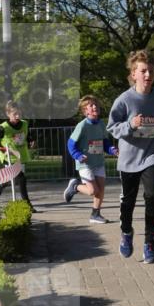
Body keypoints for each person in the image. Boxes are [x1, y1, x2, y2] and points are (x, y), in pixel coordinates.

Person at [108, 49, 154, 265]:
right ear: (134, 73)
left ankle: (150, 245)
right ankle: (127, 233)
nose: (148, 75)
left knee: (152, 196)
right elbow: (112, 127)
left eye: (151, 71)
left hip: (152, 154)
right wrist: (131, 124)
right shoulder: (124, 100)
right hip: (129, 158)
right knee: (128, 202)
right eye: (143, 71)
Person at [63, 95, 119, 223]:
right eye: (91, 105)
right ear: (85, 111)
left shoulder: (101, 124)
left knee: (101, 189)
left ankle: (95, 215)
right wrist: (77, 155)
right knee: (93, 191)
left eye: (96, 105)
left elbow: (105, 142)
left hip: (98, 161)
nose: (95, 107)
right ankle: (76, 186)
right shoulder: (82, 126)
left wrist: (112, 150)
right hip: (85, 163)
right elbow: (71, 144)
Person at [0, 100, 34, 210]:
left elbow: (28, 135)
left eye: (19, 114)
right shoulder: (3, 127)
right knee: (21, 178)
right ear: (8, 114)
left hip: (21, 155)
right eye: (14, 114)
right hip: (9, 156)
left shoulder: (25, 124)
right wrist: (2, 149)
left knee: (12, 178)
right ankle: (27, 205)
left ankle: (0, 185)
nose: (17, 116)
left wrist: (31, 140)